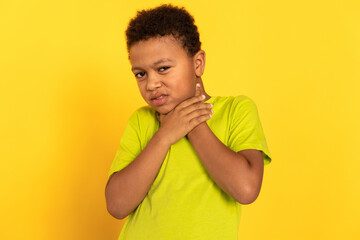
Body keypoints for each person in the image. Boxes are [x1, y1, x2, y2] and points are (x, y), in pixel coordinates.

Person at [105, 4, 272, 240]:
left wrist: (191, 123)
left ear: (198, 63)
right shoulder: (141, 122)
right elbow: (117, 204)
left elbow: (245, 189)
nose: (151, 84)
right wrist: (165, 136)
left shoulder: (237, 110)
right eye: (140, 74)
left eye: (163, 68)